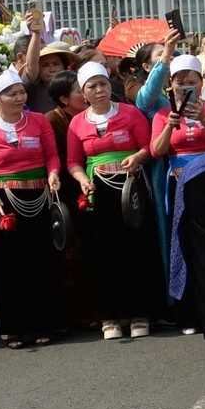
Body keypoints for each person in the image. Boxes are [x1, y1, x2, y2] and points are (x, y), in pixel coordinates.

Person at [0, 70, 65, 349]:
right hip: (5, 200)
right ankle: (14, 328)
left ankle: (44, 323)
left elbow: (51, 155)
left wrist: (53, 174)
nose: (19, 97)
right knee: (10, 265)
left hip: (39, 196)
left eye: (21, 92)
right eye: (12, 94)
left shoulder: (38, 121)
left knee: (41, 260)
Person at [66, 61, 160, 340]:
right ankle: (110, 316)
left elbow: (149, 146)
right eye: (92, 86)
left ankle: (140, 313)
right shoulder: (77, 123)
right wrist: (82, 178)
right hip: (99, 191)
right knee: (104, 254)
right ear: (84, 93)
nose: (99, 90)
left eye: (103, 84)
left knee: (137, 249)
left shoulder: (131, 114)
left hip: (131, 187)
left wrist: (138, 157)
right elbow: (73, 161)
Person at [152, 56, 205, 349]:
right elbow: (157, 150)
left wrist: (204, 119)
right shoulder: (163, 114)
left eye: (192, 81)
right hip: (180, 186)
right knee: (186, 249)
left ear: (202, 83)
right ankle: (190, 313)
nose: (186, 87)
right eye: (180, 81)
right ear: (170, 85)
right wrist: (170, 125)